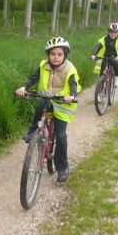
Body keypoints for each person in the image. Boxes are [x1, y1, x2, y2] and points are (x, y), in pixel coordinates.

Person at [15, 37, 81, 183]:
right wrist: (23, 87)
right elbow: (33, 78)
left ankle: (62, 168)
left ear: (65, 55)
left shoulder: (70, 69)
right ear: (48, 55)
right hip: (47, 99)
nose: (56, 57)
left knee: (61, 137)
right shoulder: (43, 65)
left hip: (63, 105)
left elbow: (73, 85)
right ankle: (32, 131)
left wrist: (72, 96)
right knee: (40, 104)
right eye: (52, 54)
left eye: (59, 54)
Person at [90, 22, 118, 86]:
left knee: (114, 62)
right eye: (111, 32)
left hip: (116, 57)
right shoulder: (105, 39)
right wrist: (93, 54)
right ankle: (100, 86)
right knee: (102, 71)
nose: (113, 34)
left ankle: (117, 77)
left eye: (115, 32)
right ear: (108, 32)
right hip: (106, 57)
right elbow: (98, 46)